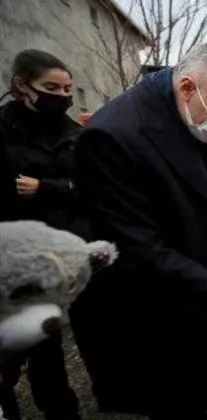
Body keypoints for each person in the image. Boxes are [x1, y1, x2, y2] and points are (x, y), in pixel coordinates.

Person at [69, 42, 207, 419]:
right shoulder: (113, 136)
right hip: (148, 311)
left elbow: (199, 196)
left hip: (190, 294)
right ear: (186, 87)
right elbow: (138, 248)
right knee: (169, 401)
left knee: (192, 396)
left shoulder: (199, 116)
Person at [0, 49, 81, 420]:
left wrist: (48, 188)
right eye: (52, 87)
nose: (62, 96)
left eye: (67, 88)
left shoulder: (74, 134)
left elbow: (92, 187)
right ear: (20, 86)